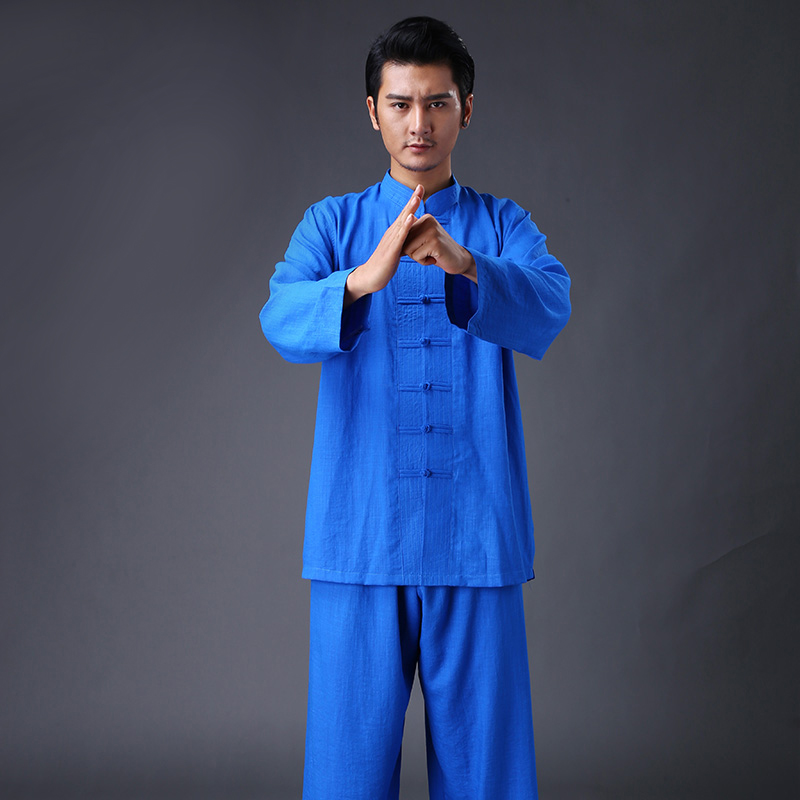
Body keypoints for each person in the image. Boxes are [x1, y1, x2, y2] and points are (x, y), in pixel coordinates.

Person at [259, 16, 571, 800]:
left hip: (478, 537)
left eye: (437, 102)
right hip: (359, 536)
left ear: (467, 109)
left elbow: (550, 305)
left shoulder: (502, 225)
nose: (418, 122)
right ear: (374, 111)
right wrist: (363, 278)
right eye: (400, 103)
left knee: (488, 776)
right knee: (346, 774)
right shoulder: (333, 225)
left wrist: (467, 264)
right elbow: (280, 318)